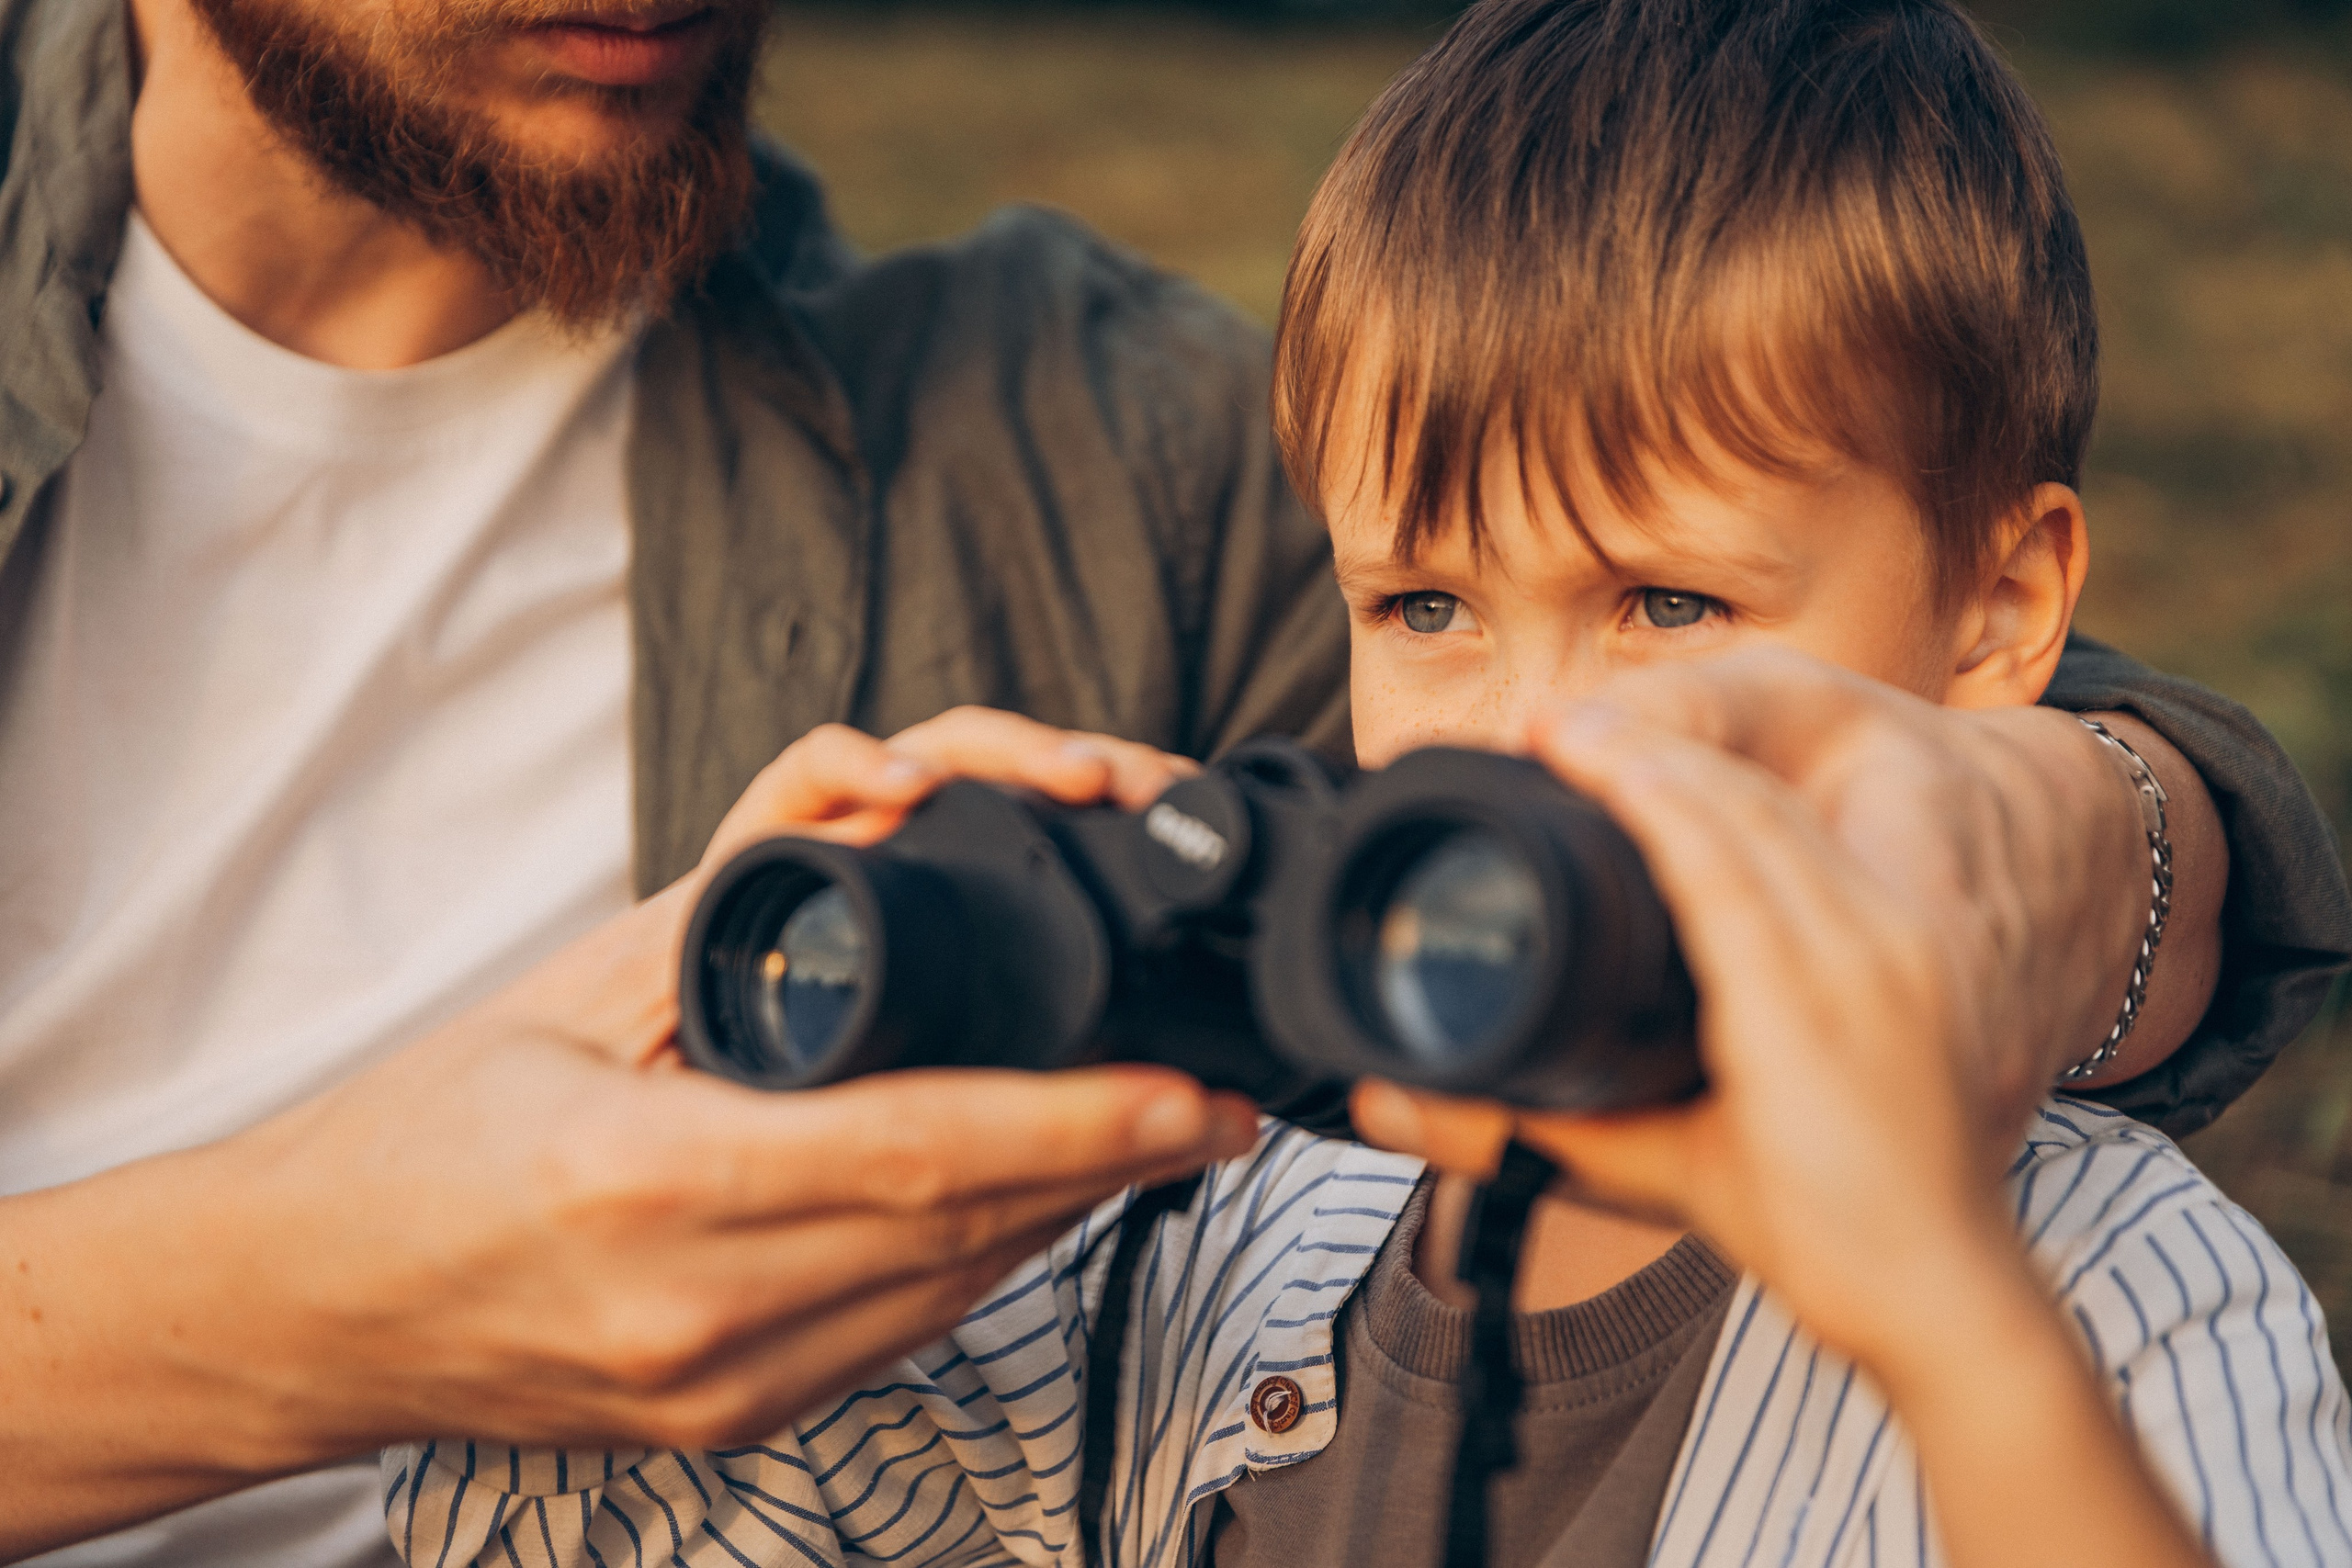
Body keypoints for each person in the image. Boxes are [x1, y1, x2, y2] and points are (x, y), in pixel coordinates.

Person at [0, 0, 2341, 1562]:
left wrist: (2040, 856)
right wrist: (426, 1259)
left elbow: (1964, 646)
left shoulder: (1091, 446)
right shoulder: (1239, 1274)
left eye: (1661, 613)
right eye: (1419, 615)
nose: (1533, 740)